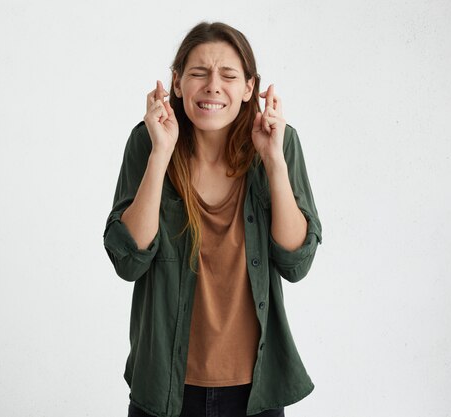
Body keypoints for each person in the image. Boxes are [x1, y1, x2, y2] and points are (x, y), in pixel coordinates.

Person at [103, 21, 322, 417]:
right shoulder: (148, 141)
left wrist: (273, 162)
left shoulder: (280, 142)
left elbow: (296, 263)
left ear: (249, 88)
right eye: (198, 73)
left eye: (229, 75)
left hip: (256, 389)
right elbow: (128, 261)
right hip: (165, 386)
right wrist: (159, 155)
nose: (213, 86)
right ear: (176, 82)